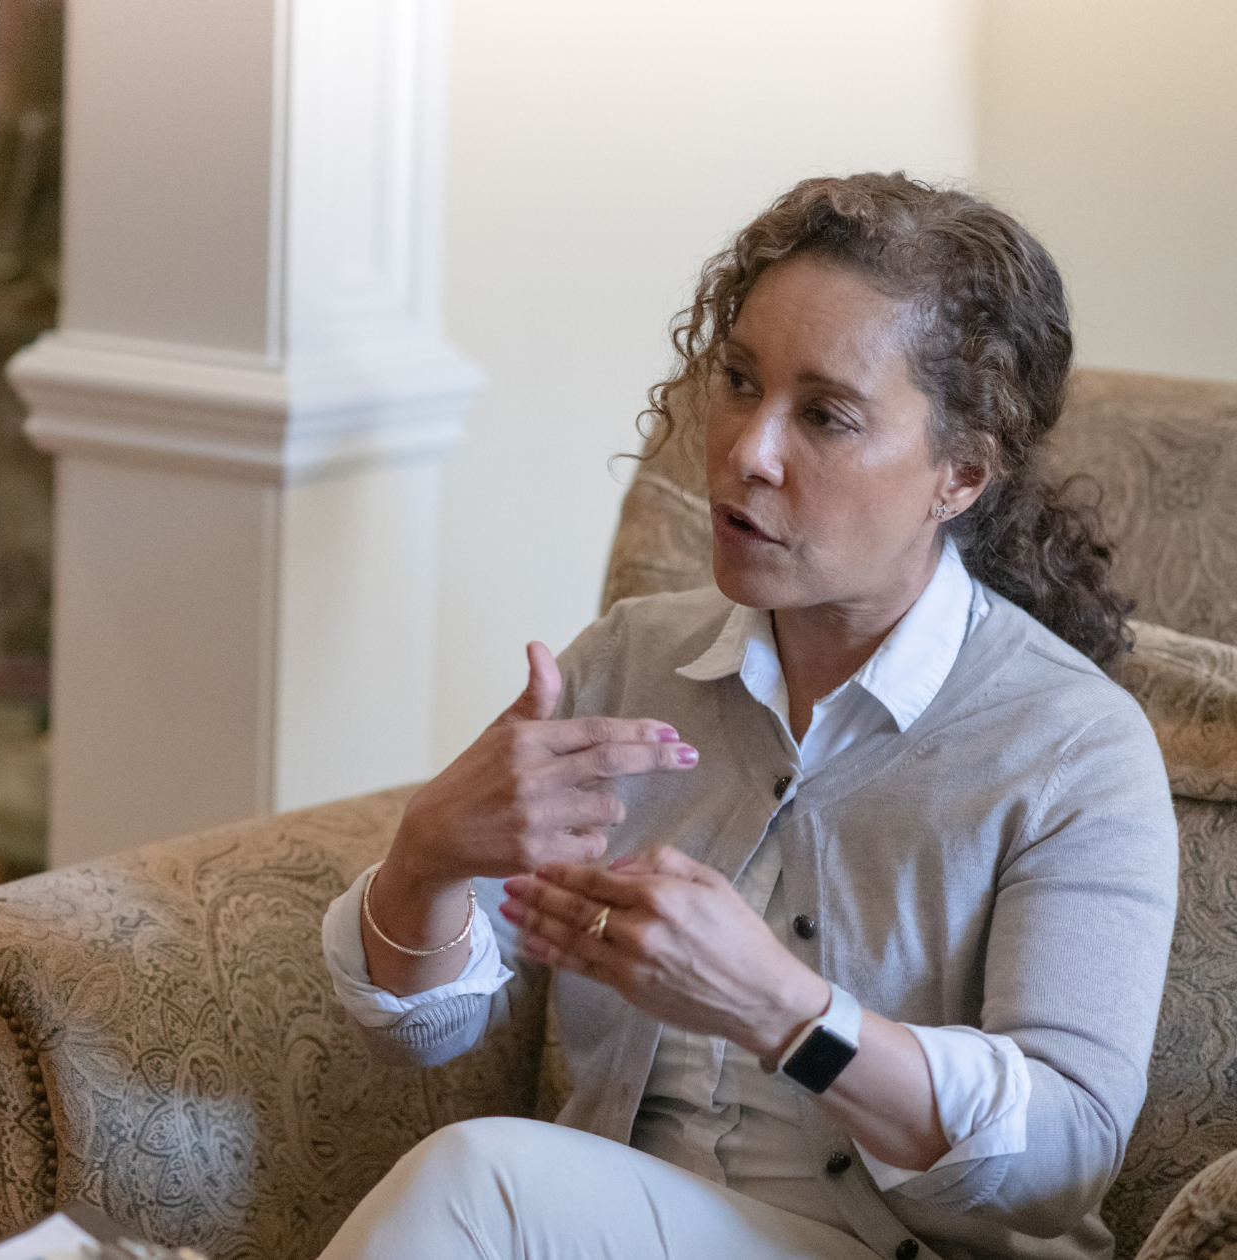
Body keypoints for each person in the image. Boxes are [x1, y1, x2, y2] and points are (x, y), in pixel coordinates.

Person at [316, 173, 1177, 1260]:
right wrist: (425, 858)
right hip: (610, 1230)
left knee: (478, 1182)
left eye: (824, 415)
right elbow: (422, 1033)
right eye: (735, 379)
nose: (744, 452)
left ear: (957, 473)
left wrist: (786, 1013)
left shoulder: (1071, 749)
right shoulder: (631, 660)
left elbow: (1064, 1158)